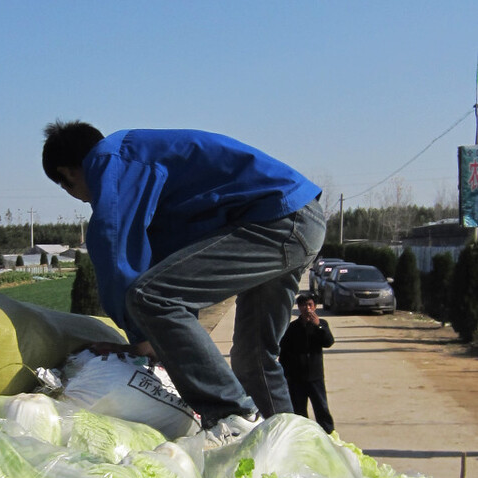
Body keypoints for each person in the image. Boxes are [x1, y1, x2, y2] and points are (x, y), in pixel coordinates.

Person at [41, 121, 326, 445]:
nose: (78, 198)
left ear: (67, 174)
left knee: (149, 296)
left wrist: (143, 334)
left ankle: (231, 417)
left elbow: (113, 243)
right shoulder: (145, 168)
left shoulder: (111, 160)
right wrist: (154, 338)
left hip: (277, 222)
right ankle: (294, 449)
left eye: (67, 188)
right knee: (254, 358)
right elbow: (169, 271)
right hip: (297, 218)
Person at [279, 291, 335, 433]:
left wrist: (318, 327)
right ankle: (302, 434)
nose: (307, 308)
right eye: (303, 305)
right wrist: (285, 375)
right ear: (299, 307)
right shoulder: (292, 328)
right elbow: (284, 352)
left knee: (321, 408)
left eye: (310, 305)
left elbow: (328, 342)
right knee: (299, 410)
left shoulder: (321, 324)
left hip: (315, 376)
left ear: (315, 307)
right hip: (296, 378)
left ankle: (328, 434)